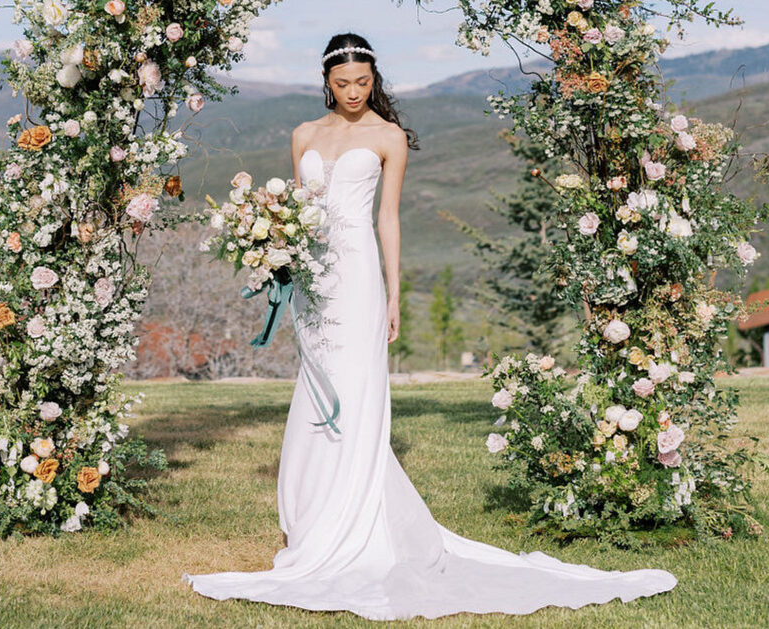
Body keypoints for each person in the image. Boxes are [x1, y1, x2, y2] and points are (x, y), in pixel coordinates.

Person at [183, 33, 677, 620]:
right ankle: (314, 511)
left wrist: (394, 293)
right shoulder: (304, 135)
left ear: (375, 80)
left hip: (360, 274)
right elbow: (298, 207)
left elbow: (387, 217)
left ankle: (353, 516)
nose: (352, 93)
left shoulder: (389, 138)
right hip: (315, 278)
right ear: (326, 82)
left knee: (358, 386)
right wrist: (277, 249)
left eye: (363, 83)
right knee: (316, 382)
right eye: (342, 84)